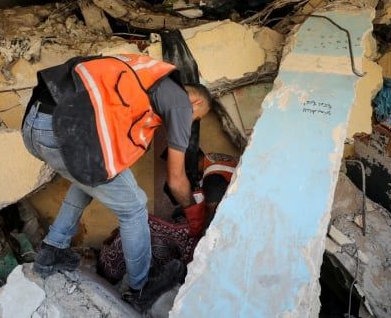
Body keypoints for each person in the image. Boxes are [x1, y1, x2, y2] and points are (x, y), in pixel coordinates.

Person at [20, 54, 212, 310]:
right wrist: (195, 213)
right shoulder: (180, 103)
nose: (190, 122)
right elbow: (176, 179)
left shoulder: (146, 74)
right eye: (196, 117)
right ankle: (140, 288)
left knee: (88, 180)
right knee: (134, 207)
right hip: (63, 129)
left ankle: (51, 251)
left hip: (35, 125)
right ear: (196, 101)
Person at [98, 151, 238, 284]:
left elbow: (212, 213)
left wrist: (199, 230)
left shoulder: (214, 174)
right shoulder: (215, 162)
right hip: (220, 228)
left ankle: (121, 275)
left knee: (141, 225)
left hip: (219, 236)